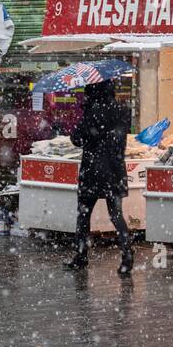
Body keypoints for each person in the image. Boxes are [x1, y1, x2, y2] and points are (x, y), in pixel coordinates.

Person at [66, 79, 134, 275]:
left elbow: (77, 138)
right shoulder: (122, 109)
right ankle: (126, 256)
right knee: (116, 215)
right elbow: (119, 138)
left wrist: (83, 118)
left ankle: (81, 255)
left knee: (84, 214)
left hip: (93, 171)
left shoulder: (92, 110)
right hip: (114, 169)